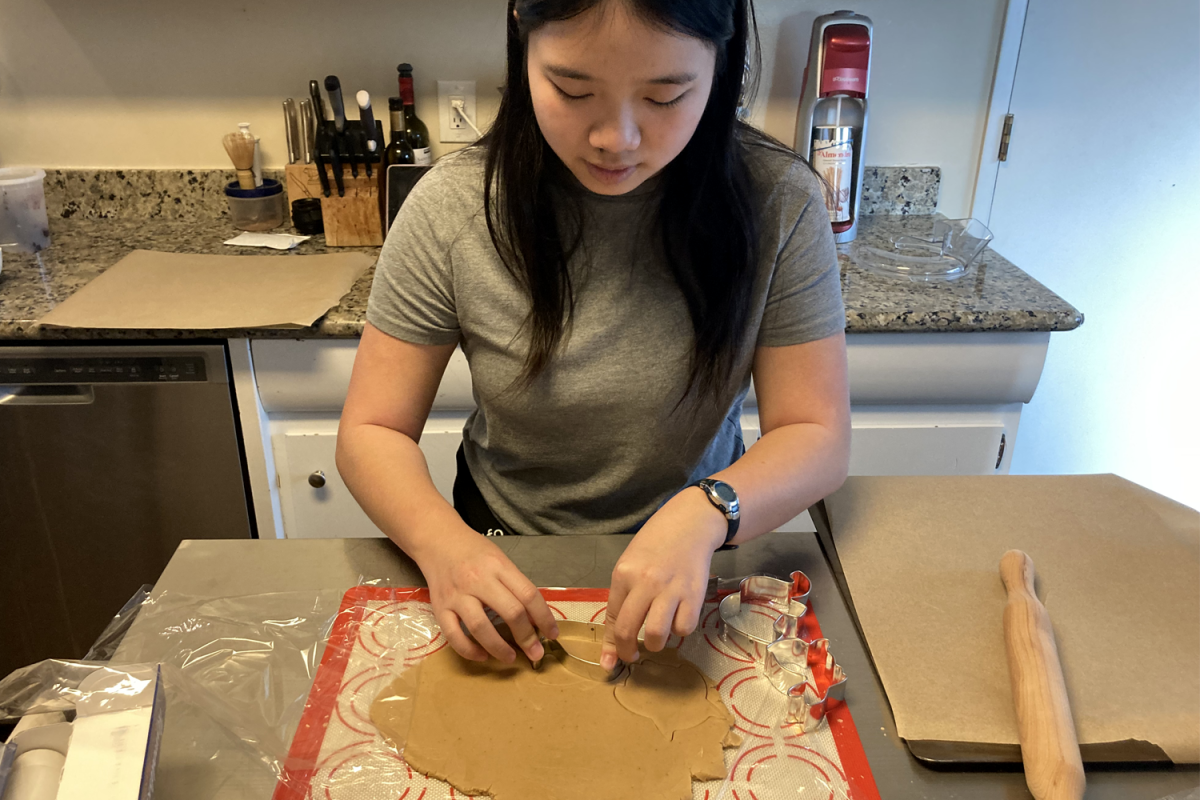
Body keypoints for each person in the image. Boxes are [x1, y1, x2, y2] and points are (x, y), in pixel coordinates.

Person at [336, 0, 850, 677]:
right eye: (573, 90)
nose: (617, 138)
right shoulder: (451, 206)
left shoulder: (779, 201)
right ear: (522, 32)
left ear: (721, 64)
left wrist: (707, 513)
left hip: (701, 545)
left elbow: (816, 433)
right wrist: (443, 546)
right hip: (503, 547)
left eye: (666, 95)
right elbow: (371, 429)